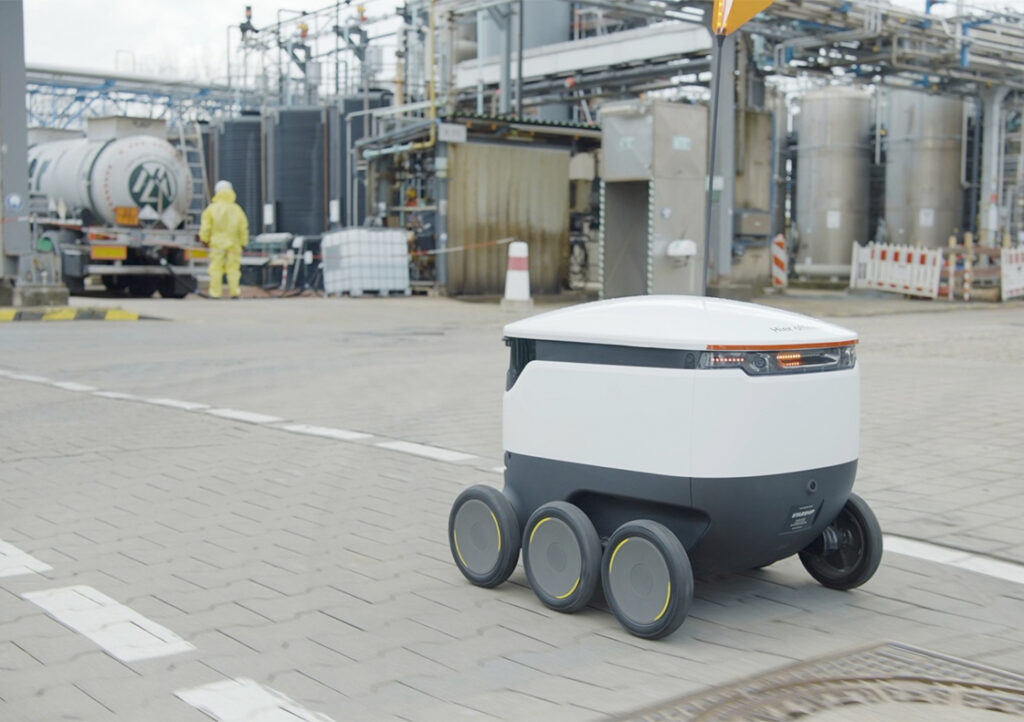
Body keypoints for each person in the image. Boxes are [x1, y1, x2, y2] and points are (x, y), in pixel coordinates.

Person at [199, 180, 249, 299]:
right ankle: (235, 293)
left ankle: (215, 293)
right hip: (234, 245)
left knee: (216, 269)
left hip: (217, 244)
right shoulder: (237, 209)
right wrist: (244, 242)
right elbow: (243, 227)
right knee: (233, 269)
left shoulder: (211, 209)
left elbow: (206, 226)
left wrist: (204, 240)